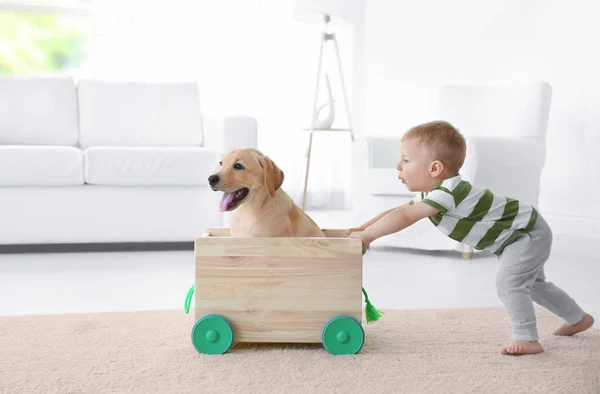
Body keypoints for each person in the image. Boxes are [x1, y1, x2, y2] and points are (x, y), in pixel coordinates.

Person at [347, 120, 595, 355]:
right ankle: (578, 318)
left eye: (405, 160)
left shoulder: (449, 193)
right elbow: (397, 212)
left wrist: (367, 237)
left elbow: (405, 217)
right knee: (533, 285)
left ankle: (527, 338)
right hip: (518, 235)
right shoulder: (432, 193)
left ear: (435, 168)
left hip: (527, 232)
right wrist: (361, 230)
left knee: (510, 284)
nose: (398, 166)